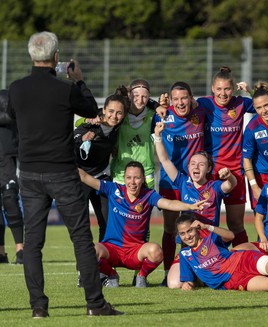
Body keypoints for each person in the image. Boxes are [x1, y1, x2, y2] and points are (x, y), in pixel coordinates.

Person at [7, 31, 122, 318]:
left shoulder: (17, 88)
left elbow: (12, 115)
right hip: (62, 172)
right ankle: (95, 304)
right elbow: (89, 109)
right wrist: (78, 79)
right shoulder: (64, 89)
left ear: (31, 56)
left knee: (33, 243)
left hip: (30, 173)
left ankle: (38, 307)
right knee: (81, 239)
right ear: (56, 57)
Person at [78, 161, 207, 288]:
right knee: (89, 250)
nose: (132, 182)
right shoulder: (113, 189)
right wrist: (63, 162)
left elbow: (169, 203)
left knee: (156, 251)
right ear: (124, 178)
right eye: (128, 178)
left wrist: (189, 205)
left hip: (136, 252)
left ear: (143, 179)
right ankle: (112, 275)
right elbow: (84, 177)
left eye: (137, 178)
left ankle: (141, 276)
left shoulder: (149, 195)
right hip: (112, 249)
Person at [153, 120, 236, 289]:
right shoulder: (183, 183)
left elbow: (230, 185)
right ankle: (196, 275)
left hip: (211, 246)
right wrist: (158, 137)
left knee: (217, 278)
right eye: (193, 164)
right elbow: (165, 161)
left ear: (208, 169)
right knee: (174, 284)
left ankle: (202, 275)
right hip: (189, 249)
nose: (196, 167)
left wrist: (229, 176)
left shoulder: (215, 186)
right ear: (188, 167)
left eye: (201, 164)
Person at [153, 81, 206, 282]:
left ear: (191, 97)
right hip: (171, 181)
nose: (180, 102)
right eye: (176, 99)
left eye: (184, 98)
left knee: (193, 227)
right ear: (170, 100)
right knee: (170, 228)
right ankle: (168, 273)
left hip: (196, 182)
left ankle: (195, 271)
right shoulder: (162, 115)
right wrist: (158, 104)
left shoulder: (201, 112)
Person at [197, 67, 255, 247]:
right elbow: (180, 107)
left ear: (234, 89)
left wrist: (250, 91)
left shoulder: (241, 103)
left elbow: (265, 102)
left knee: (236, 224)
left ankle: (242, 262)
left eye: (227, 89)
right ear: (213, 88)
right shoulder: (204, 104)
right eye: (219, 89)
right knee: (207, 224)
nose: (223, 93)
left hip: (235, 173)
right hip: (211, 175)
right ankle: (207, 263)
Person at [74, 86, 129, 241]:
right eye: (111, 111)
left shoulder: (119, 126)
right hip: (81, 177)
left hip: (101, 178)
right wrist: (82, 138)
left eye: (119, 113)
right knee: (81, 223)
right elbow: (72, 137)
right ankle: (85, 259)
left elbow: (141, 106)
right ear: (103, 110)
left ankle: (102, 259)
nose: (114, 116)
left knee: (106, 221)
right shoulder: (90, 123)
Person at [110, 79, 160, 189]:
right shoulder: (120, 114)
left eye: (144, 97)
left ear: (149, 97)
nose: (140, 100)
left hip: (146, 173)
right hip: (121, 173)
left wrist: (159, 105)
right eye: (136, 95)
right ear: (129, 95)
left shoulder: (153, 116)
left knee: (143, 206)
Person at [0, 89, 24, 264]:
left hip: (8, 161)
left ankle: (20, 249)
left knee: (10, 201)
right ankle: (1, 253)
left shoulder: (14, 123)